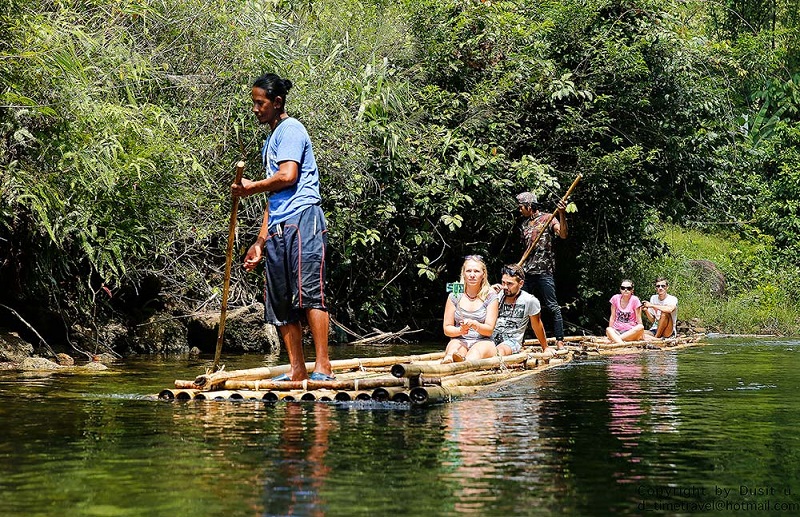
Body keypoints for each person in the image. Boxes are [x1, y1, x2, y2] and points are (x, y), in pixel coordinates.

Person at [232, 72, 333, 382]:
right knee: (279, 300)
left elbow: (288, 176)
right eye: (254, 103)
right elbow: (274, 196)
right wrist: (260, 242)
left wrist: (251, 187)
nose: (255, 109)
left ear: (277, 103)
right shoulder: (270, 139)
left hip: (303, 219)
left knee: (310, 294)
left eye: (260, 103)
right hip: (278, 225)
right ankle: (297, 369)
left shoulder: (291, 129)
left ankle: (323, 367)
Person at [516, 191, 568, 349]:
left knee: (552, 306)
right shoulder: (524, 225)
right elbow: (525, 249)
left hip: (544, 272)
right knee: (521, 305)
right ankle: (518, 341)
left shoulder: (549, 218)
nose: (519, 210)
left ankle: (559, 341)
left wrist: (561, 213)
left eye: (521, 207)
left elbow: (563, 234)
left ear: (529, 206)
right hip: (527, 272)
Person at [442, 255, 499, 363]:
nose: (472, 275)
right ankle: (449, 360)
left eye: (476, 271)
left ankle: (466, 364)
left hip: (483, 341)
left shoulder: (490, 296)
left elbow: (489, 330)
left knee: (476, 352)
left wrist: (474, 324)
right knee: (453, 348)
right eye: (468, 271)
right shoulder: (454, 295)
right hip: (460, 339)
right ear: (463, 274)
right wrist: (460, 330)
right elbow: (447, 328)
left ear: (483, 274)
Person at [491, 264, 549, 355]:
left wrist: (545, 347)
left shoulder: (529, 300)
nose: (505, 287)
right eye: (503, 283)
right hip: (490, 338)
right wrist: (488, 294)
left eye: (509, 284)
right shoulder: (495, 294)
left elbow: (537, 325)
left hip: (512, 342)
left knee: (499, 351)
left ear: (521, 284)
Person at [606, 279, 644, 343]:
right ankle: (621, 343)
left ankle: (616, 340)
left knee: (640, 327)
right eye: (623, 288)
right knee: (609, 329)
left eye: (628, 288)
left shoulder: (635, 300)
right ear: (620, 289)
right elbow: (612, 316)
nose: (625, 290)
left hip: (630, 332)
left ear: (632, 290)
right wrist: (610, 331)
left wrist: (642, 334)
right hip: (616, 331)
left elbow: (639, 319)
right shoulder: (615, 298)